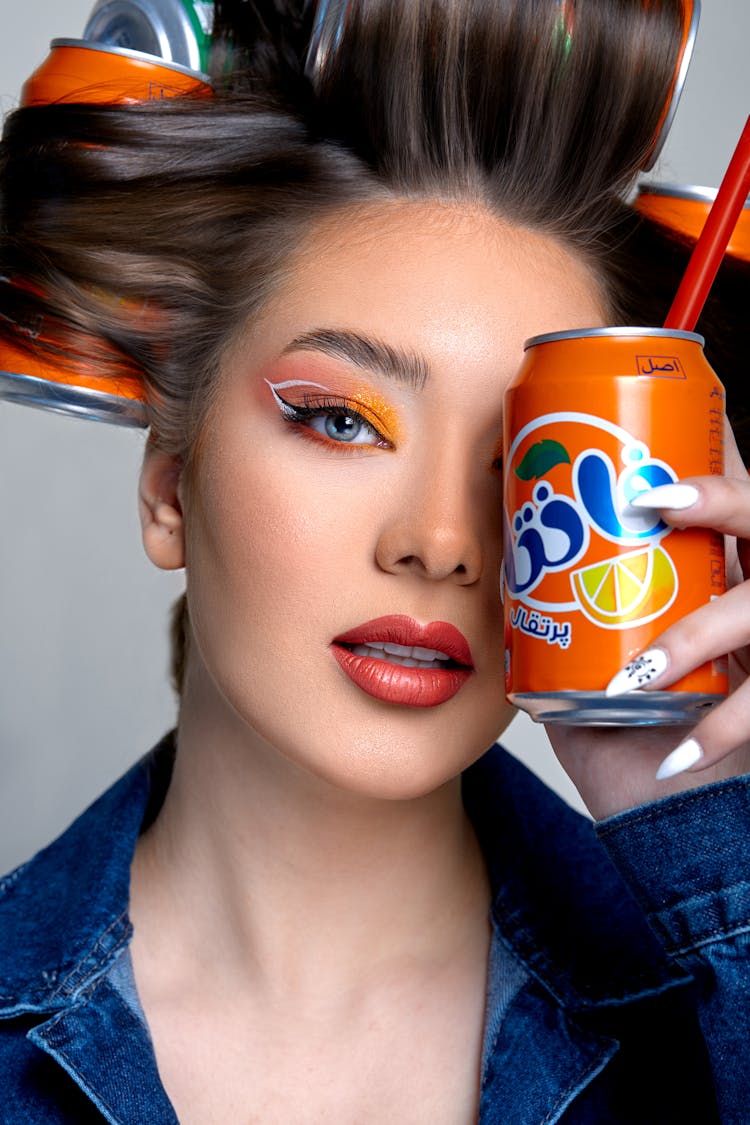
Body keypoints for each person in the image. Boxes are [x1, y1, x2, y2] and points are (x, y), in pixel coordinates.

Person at [1, 1, 749, 1121]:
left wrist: (709, 843)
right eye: (341, 420)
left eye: (524, 466)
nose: (442, 544)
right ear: (169, 484)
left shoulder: (710, 1016)